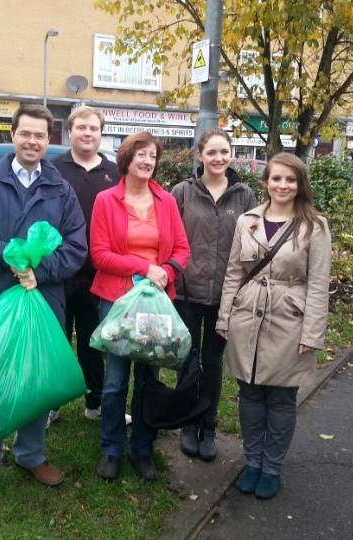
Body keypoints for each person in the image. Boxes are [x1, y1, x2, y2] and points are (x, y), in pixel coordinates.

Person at [0, 104, 87, 507]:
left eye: (40, 136)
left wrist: (40, 271)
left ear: (49, 140)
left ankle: (31, 454)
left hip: (42, 299)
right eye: (25, 133)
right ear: (13, 135)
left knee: (36, 380)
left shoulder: (60, 189)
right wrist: (6, 256)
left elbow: (76, 246)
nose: (32, 141)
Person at [216, 152, 331, 499]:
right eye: (276, 178)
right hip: (247, 315)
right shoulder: (247, 220)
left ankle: (272, 467)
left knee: (281, 398)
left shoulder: (314, 226)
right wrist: (225, 316)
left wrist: (312, 333)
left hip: (289, 319)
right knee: (249, 394)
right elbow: (234, 271)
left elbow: (318, 282)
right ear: (265, 182)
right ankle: (252, 462)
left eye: (290, 179)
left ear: (300, 185)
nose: (283, 185)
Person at [89, 131, 190, 482]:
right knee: (115, 382)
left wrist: (166, 271)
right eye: (141, 155)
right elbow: (100, 254)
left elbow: (182, 249)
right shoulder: (106, 200)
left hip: (156, 305)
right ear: (127, 159)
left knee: (149, 377)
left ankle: (143, 449)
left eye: (152, 156)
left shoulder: (166, 201)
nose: (147, 161)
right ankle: (111, 449)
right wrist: (143, 267)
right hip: (116, 302)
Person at [171, 128, 257, 462]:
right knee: (186, 358)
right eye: (212, 152)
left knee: (212, 362)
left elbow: (253, 245)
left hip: (227, 295)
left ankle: (208, 424)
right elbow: (170, 237)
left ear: (230, 155)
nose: (218, 158)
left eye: (224, 152)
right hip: (187, 292)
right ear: (200, 156)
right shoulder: (182, 192)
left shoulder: (244, 195)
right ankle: (187, 424)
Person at [49, 105, 122, 426]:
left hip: (99, 273)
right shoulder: (53, 169)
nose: (88, 133)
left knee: (95, 343)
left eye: (94, 128)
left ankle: (95, 403)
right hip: (60, 271)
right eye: (81, 128)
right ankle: (50, 404)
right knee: (55, 342)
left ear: (101, 133)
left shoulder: (115, 172)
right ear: (70, 131)